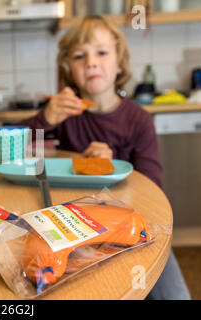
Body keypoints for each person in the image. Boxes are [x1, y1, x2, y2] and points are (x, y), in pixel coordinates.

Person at [16, 15, 190, 300]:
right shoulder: (65, 113)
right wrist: (45, 118)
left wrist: (114, 166)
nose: (91, 62)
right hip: (74, 225)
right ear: (69, 70)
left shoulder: (139, 120)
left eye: (101, 52)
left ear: (119, 64)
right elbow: (9, 143)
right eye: (79, 56)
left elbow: (153, 185)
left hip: (134, 225)